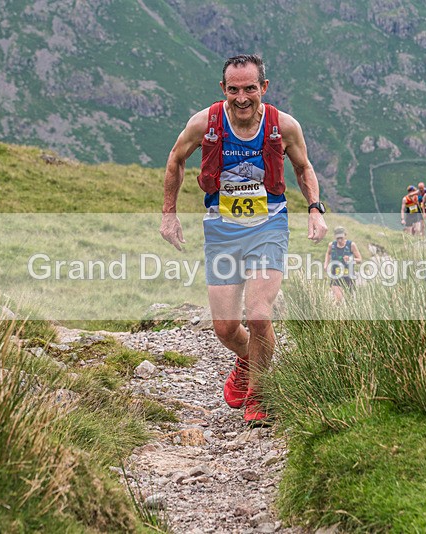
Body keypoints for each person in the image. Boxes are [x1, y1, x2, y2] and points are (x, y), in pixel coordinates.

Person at [160, 54, 328, 425]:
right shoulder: (204, 123)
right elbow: (175, 160)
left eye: (250, 88)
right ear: (223, 90)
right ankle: (249, 359)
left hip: (268, 226)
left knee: (258, 316)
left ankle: (261, 393)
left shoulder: (283, 126)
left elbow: (302, 167)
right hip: (221, 230)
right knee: (223, 327)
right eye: (234, 89)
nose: (242, 97)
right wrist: (168, 213)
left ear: (263, 88)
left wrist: (315, 208)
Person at [323, 226, 362, 303]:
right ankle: (336, 314)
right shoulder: (332, 245)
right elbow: (328, 253)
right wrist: (326, 264)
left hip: (349, 275)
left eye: (341, 237)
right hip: (336, 275)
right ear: (335, 237)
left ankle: (348, 314)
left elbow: (360, 260)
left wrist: (350, 259)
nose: (340, 240)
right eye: (337, 238)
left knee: (349, 301)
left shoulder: (351, 245)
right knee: (338, 299)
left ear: (345, 235)